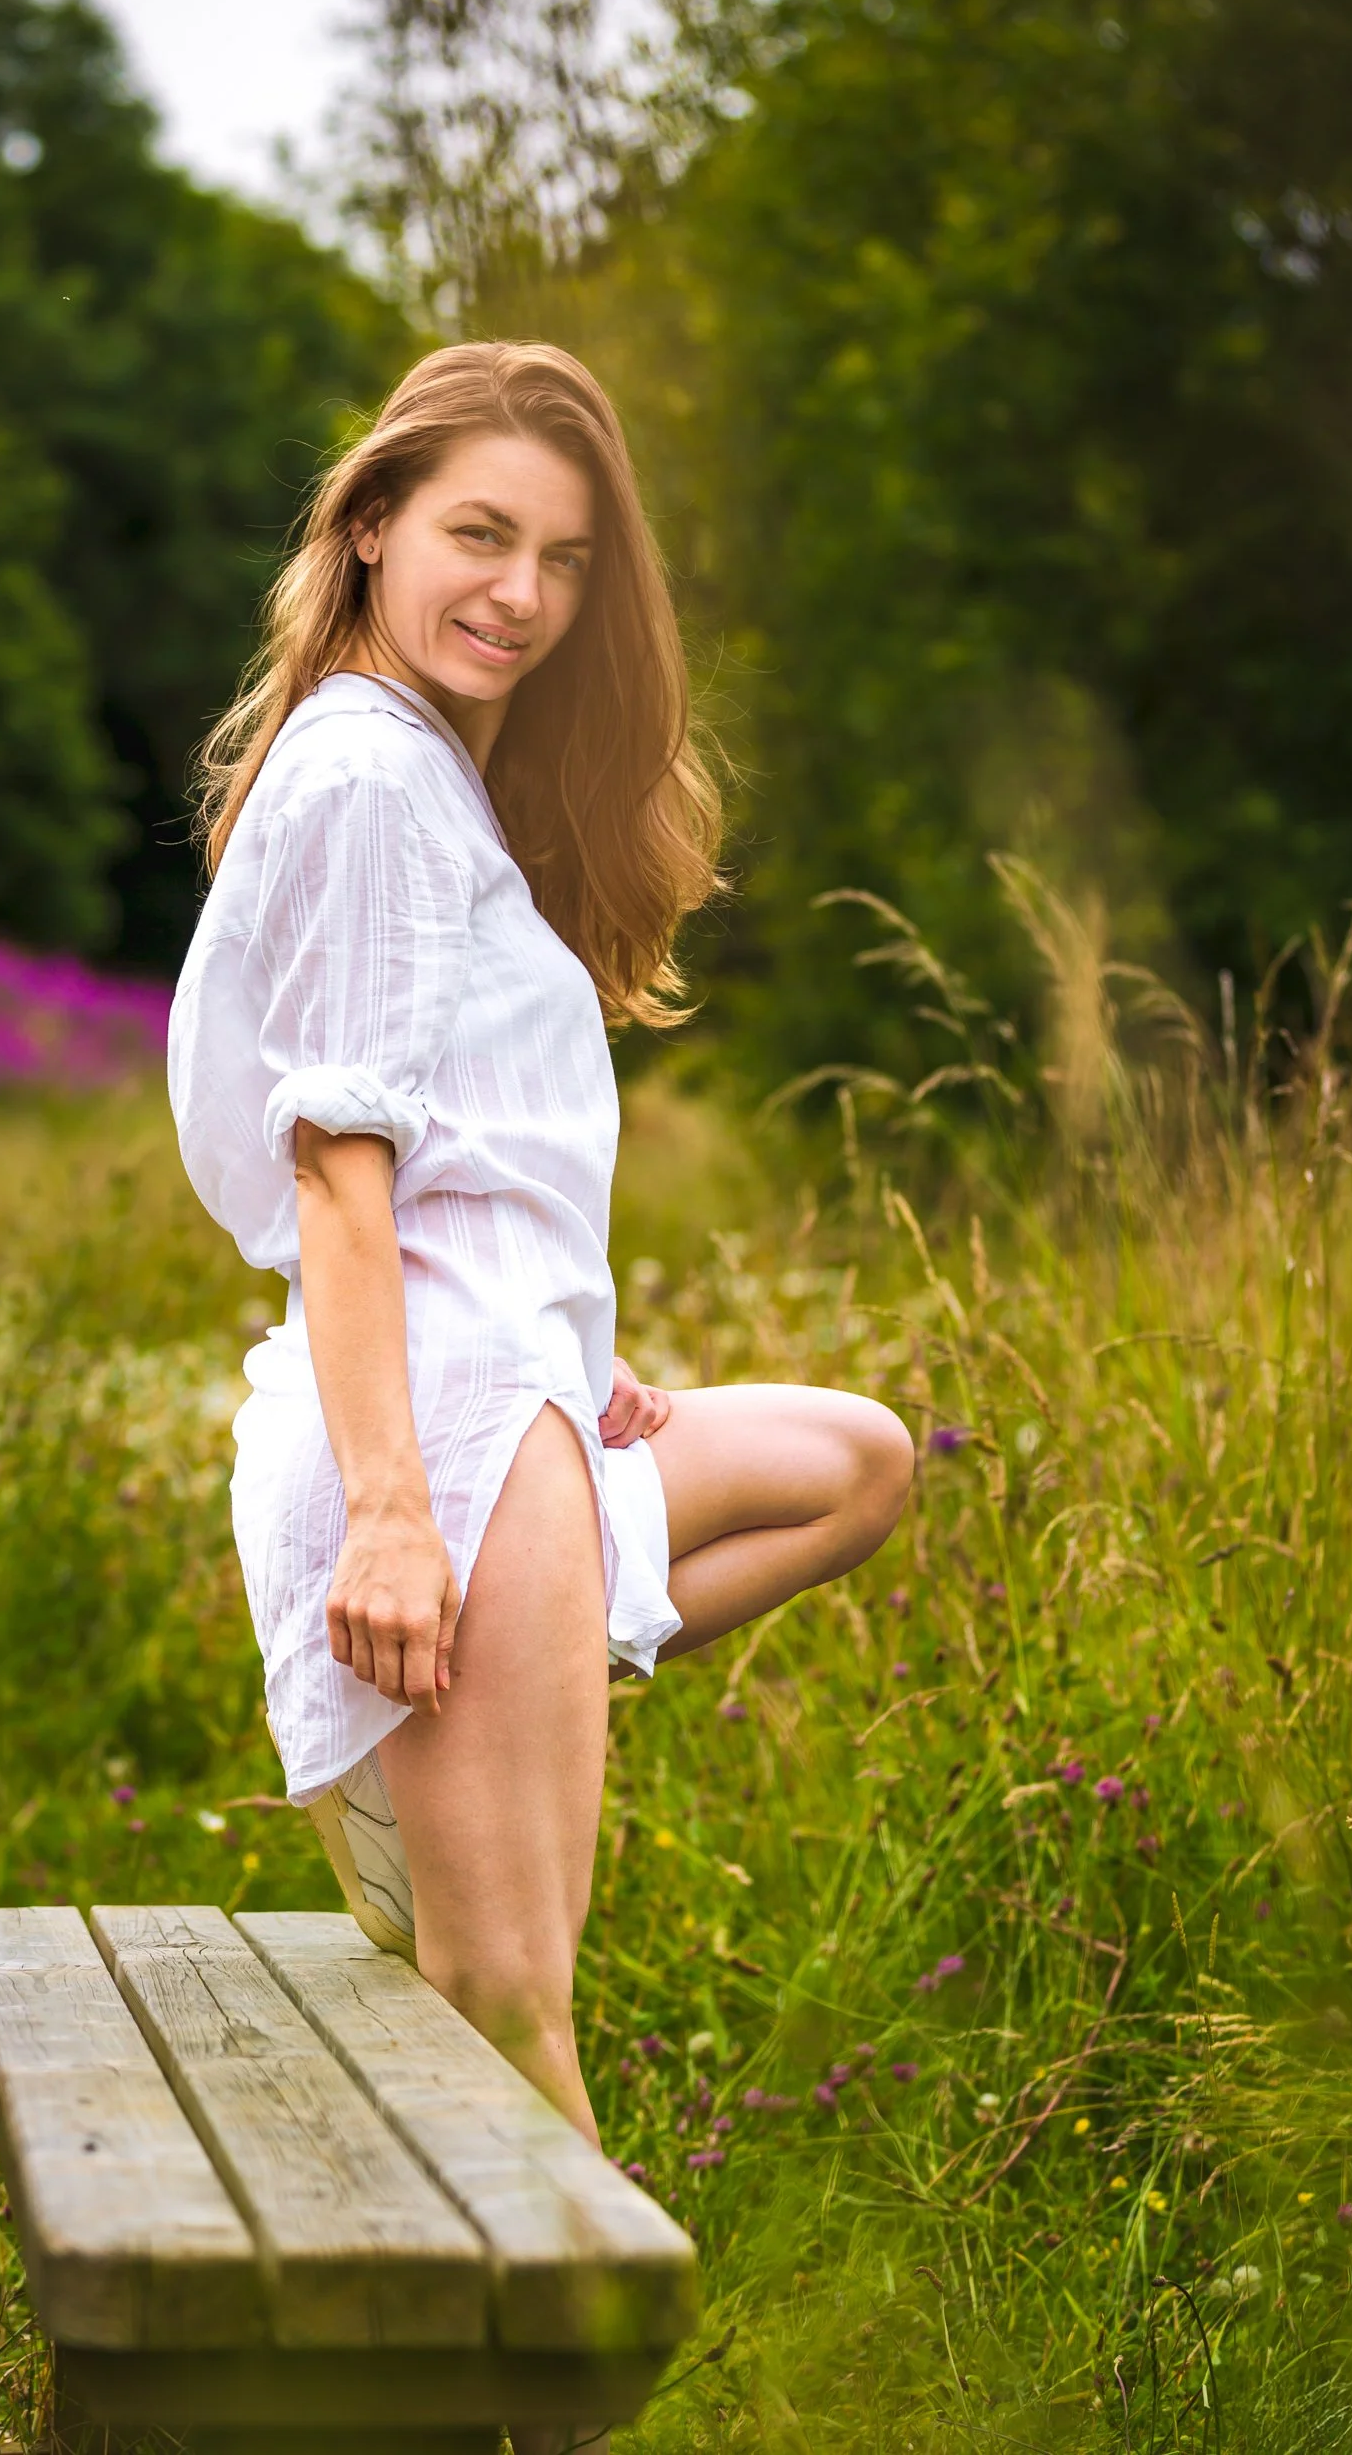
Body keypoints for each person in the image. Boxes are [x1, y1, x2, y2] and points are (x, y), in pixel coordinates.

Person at [168, 341, 912, 2450]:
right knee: (510, 2021)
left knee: (857, 1458)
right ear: (375, 522)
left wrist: (575, 1393)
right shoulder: (375, 774)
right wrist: (406, 1508)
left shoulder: (421, 779)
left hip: (525, 1423)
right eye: (479, 531)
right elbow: (339, 1168)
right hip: (441, 1441)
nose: (519, 588)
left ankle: (547, 1655)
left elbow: (453, 1175)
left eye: (564, 556)